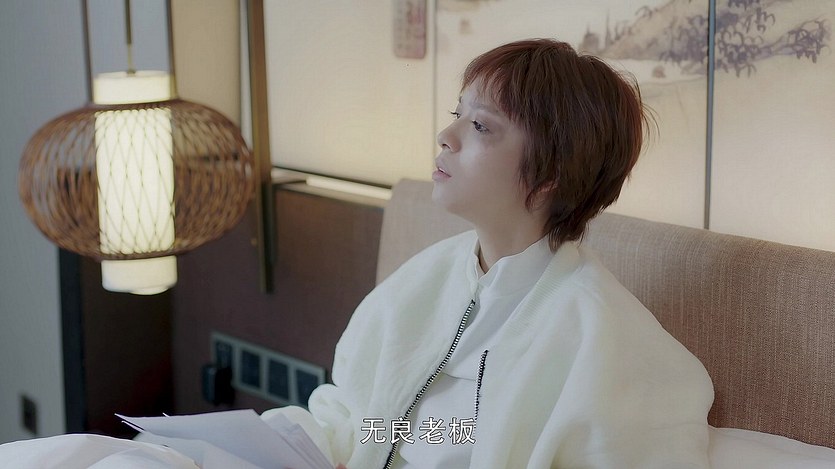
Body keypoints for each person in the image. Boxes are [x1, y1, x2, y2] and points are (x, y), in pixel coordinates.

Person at [276, 38, 714, 468]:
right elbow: (356, 415)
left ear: (550, 175)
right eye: (458, 115)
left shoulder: (600, 334)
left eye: (481, 126)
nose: (445, 136)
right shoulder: (427, 276)